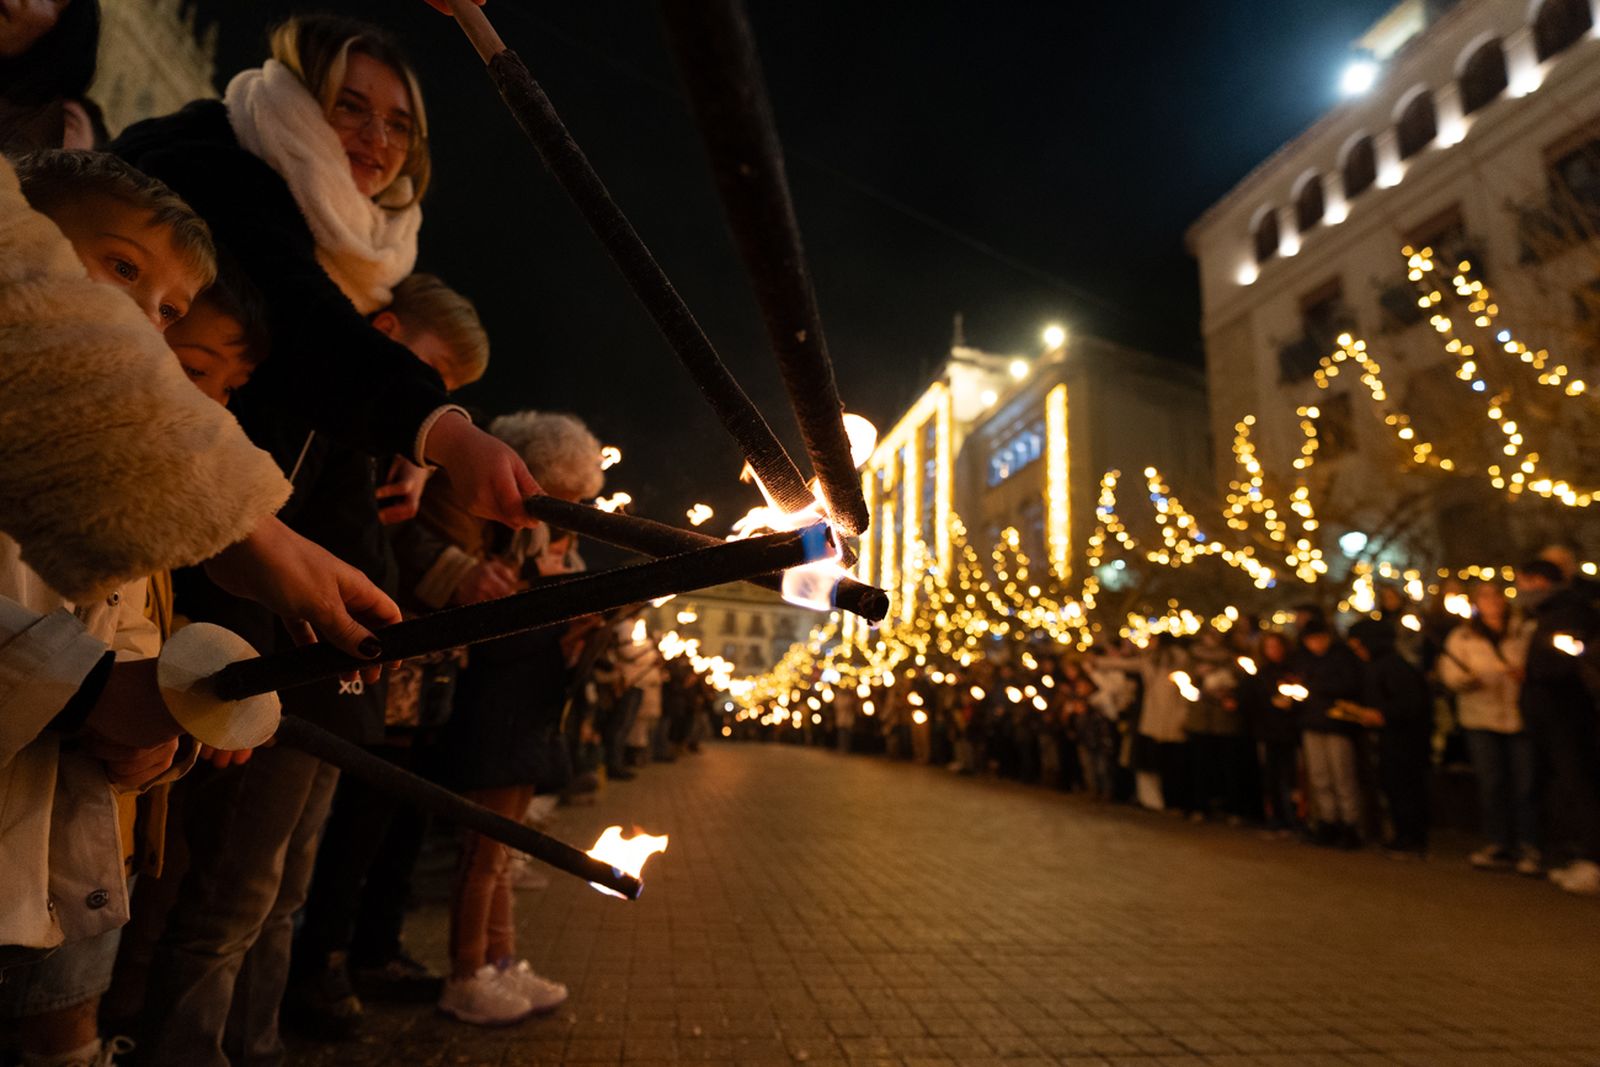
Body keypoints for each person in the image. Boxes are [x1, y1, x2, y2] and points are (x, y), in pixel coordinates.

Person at [111, 15, 542, 544]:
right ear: (300, 100)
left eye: (399, 125)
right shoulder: (208, 161)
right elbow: (304, 322)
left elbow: (332, 464)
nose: (377, 138)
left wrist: (423, 446)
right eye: (350, 107)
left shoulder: (357, 251)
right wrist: (440, 430)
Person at [431, 411, 605, 1025]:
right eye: (562, 499)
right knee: (484, 855)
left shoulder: (536, 546)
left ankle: (500, 961)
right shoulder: (497, 539)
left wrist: (579, 631)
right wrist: (553, 606)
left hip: (527, 715)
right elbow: (494, 638)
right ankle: (467, 972)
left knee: (502, 854)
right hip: (498, 713)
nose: (568, 517)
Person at [1437, 581, 1539, 875]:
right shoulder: (1463, 636)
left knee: (1526, 784)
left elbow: (1538, 664)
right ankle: (1498, 842)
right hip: (1481, 717)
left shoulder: (1524, 631)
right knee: (1492, 783)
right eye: (1484, 596)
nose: (1491, 600)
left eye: (1496, 595)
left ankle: (1530, 845)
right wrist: (1467, 680)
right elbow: (1450, 673)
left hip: (1518, 716)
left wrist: (1526, 675)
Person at [1516, 559, 1600, 895]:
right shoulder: (1548, 613)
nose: (1519, 589)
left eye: (1522, 581)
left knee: (1579, 783)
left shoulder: (1569, 612)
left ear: (1538, 581)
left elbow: (1570, 660)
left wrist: (1542, 670)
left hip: (1566, 714)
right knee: (1564, 786)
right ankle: (1576, 853)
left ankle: (1593, 860)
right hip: (1551, 714)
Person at [1347, 619, 1433, 857]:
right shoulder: (1378, 665)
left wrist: (1382, 714)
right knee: (1393, 786)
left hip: (1405, 738)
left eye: (1359, 646)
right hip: (1391, 736)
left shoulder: (1393, 666)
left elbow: (1410, 703)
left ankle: (1411, 837)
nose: (1358, 652)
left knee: (1405, 787)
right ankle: (1402, 834)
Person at [1292, 620, 1365, 847]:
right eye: (1310, 640)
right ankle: (1327, 821)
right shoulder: (1302, 660)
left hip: (1337, 724)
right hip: (1311, 723)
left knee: (1342, 775)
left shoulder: (1342, 657)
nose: (1315, 644)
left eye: (1319, 638)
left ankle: (1350, 824)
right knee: (1319, 776)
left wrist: (1316, 688)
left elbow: (1351, 685)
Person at [1239, 632, 1300, 832]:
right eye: (1270, 647)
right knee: (1272, 776)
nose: (1274, 651)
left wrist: (1292, 702)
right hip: (1268, 731)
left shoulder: (1293, 670)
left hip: (1291, 732)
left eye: (1277, 646)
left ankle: (1296, 817)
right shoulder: (1259, 673)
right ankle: (1277, 817)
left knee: (1292, 777)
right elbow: (1249, 701)